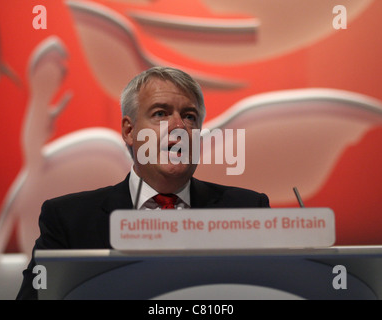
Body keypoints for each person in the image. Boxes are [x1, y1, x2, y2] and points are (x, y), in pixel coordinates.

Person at [16, 66, 270, 299]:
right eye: (161, 113)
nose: (179, 126)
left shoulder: (248, 210)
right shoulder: (68, 220)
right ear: (129, 131)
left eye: (190, 117)